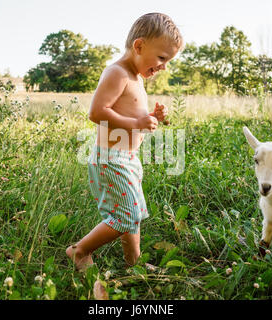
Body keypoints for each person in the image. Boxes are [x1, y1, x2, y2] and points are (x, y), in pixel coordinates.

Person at [66, 12, 184, 271]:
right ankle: (80, 250)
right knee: (125, 216)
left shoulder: (137, 78)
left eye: (168, 61)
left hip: (128, 159)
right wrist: (136, 124)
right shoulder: (117, 73)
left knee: (134, 215)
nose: (164, 66)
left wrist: (151, 117)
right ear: (139, 46)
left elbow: (128, 114)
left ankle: (134, 263)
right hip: (112, 159)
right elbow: (97, 113)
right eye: (162, 58)